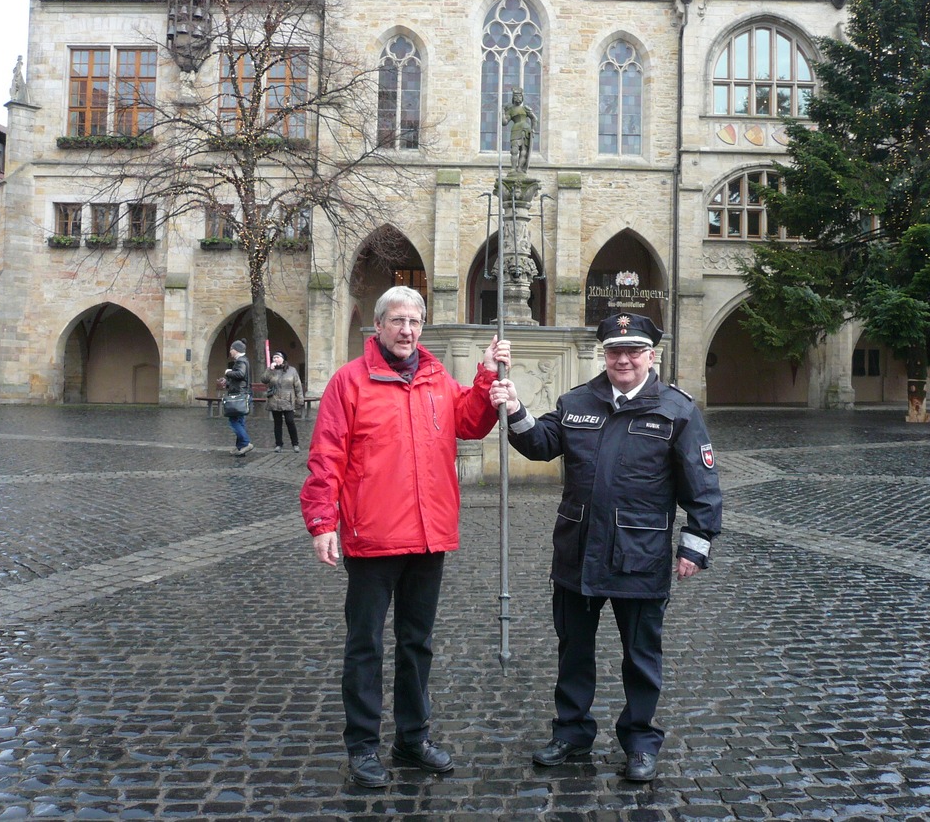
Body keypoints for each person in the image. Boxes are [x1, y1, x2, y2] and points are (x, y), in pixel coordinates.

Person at [489, 312, 722, 783]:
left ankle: (639, 740)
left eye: (633, 351)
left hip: (640, 554)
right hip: (577, 551)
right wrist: (514, 408)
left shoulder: (677, 410)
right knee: (573, 650)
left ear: (650, 356)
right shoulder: (577, 401)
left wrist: (695, 546)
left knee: (641, 655)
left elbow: (702, 483)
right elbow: (540, 444)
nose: (623, 359)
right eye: (615, 351)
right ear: (604, 355)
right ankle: (571, 732)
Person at [300, 285, 511, 788]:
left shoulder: (438, 378)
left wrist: (486, 377)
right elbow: (326, 455)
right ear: (379, 326)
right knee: (365, 644)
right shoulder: (349, 382)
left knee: (417, 643)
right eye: (397, 321)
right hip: (372, 536)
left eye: (414, 322)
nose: (407, 330)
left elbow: (470, 422)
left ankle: (412, 738)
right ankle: (363, 745)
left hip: (429, 534)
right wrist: (322, 522)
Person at [261, 350, 304, 453]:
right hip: (275, 400)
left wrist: (300, 399)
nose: (275, 359)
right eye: (274, 358)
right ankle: (278, 444)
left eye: (277, 357)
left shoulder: (292, 370)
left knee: (290, 421)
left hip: (287, 399)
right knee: (277, 423)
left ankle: (295, 444)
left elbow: (297, 385)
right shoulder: (271, 370)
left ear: (283, 359)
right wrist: (269, 370)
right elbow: (264, 380)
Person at [217, 340, 253, 456]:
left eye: (231, 349)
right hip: (242, 393)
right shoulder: (244, 360)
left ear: (235, 350)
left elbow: (240, 374)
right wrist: (227, 383)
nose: (230, 352)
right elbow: (240, 380)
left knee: (234, 422)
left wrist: (228, 372)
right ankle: (240, 447)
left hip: (239, 395)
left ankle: (246, 443)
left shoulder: (240, 361)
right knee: (240, 421)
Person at [502, 86, 537, 174]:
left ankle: (520, 168)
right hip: (515, 130)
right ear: (513, 98)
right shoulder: (511, 110)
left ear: (522, 97)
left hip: (525, 130)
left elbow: (534, 119)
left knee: (524, 151)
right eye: (516, 96)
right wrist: (503, 111)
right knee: (514, 150)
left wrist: (533, 129)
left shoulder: (525, 108)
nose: (518, 98)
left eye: (520, 96)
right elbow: (504, 122)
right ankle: (513, 168)